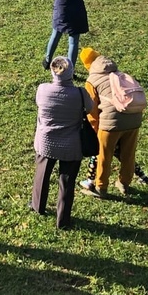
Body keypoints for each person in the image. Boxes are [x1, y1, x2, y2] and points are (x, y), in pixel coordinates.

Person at [31, 56, 93, 229]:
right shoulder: (80, 93)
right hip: (71, 144)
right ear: (71, 72)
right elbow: (91, 108)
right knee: (67, 182)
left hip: (46, 142)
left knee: (41, 176)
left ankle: (38, 206)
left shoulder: (42, 89)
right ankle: (63, 220)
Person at [81, 50, 145, 197]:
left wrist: (95, 130)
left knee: (104, 154)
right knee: (128, 153)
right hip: (134, 118)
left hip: (111, 122)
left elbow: (92, 110)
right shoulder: (117, 73)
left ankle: (100, 188)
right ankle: (124, 183)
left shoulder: (92, 80)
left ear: (87, 65)